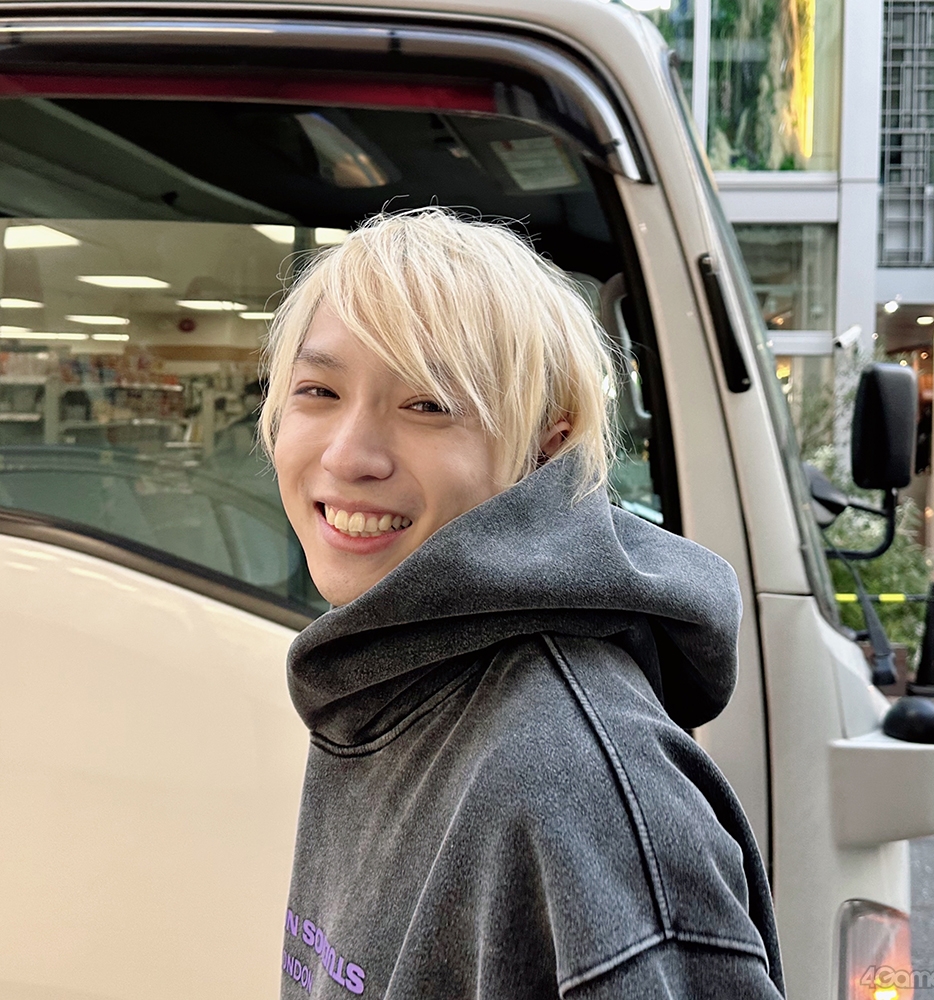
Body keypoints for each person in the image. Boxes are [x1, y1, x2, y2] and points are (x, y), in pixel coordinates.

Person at [260, 208, 785, 999]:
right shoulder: (383, 676)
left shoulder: (577, 785)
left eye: (428, 404)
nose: (347, 454)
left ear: (548, 444)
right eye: (318, 390)